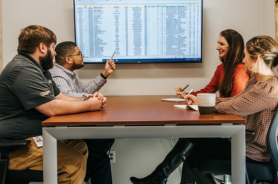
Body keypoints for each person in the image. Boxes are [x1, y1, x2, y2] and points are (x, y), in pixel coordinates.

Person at [131, 35, 278, 184]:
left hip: (251, 150)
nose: (244, 60)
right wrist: (201, 100)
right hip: (241, 141)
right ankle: (159, 177)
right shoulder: (256, 82)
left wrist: (203, 103)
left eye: (246, 56)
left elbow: (234, 107)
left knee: (193, 155)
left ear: (257, 59)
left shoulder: (267, 89)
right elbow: (233, 101)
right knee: (194, 136)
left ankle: (158, 177)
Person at [0, 25, 107, 184]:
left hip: (34, 138)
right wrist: (90, 105)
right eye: (52, 47)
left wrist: (88, 100)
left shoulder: (39, 69)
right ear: (42, 47)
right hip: (14, 147)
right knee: (73, 163)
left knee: (80, 146)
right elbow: (52, 107)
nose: (55, 53)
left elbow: (60, 97)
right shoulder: (23, 69)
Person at [49, 41, 116, 184]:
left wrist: (104, 74)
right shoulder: (57, 74)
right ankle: (81, 175)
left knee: (108, 137)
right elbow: (67, 96)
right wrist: (91, 98)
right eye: (79, 53)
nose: (83, 55)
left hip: (74, 126)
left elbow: (83, 92)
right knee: (101, 159)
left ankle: (82, 176)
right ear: (68, 59)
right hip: (64, 131)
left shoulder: (70, 74)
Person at [176, 29, 249, 98]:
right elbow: (208, 91)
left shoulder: (241, 71)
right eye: (218, 43)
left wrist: (215, 104)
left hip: (229, 110)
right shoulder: (221, 68)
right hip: (222, 109)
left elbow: (236, 101)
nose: (217, 47)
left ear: (233, 48)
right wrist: (186, 94)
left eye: (222, 44)